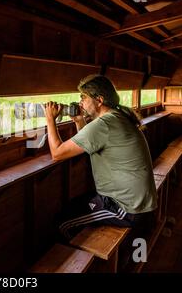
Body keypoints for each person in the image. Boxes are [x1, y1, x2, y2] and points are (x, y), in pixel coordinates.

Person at [44, 74, 157, 248]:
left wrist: (50, 119)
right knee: (74, 205)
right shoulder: (116, 117)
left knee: (61, 223)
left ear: (99, 100)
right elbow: (93, 143)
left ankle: (76, 263)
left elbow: (57, 153)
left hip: (127, 209)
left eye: (84, 98)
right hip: (136, 201)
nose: (80, 102)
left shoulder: (103, 124)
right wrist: (79, 121)